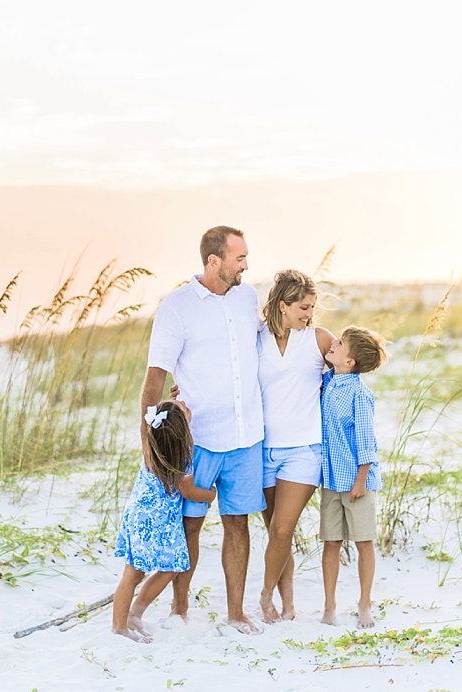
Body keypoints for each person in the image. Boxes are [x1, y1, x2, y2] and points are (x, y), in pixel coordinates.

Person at [131, 226, 266, 635]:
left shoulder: (248, 298)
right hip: (199, 440)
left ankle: (236, 612)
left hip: (247, 436)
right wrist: (151, 448)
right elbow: (154, 381)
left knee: (238, 523)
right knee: (190, 524)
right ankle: (179, 607)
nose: (246, 265)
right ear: (214, 261)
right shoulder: (177, 307)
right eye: (239, 258)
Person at [256, 269, 334, 623]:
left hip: (304, 450)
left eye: (313, 307)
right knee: (275, 532)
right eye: (303, 307)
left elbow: (348, 372)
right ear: (283, 305)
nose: (310, 314)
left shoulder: (319, 339)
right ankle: (287, 605)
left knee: (283, 529)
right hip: (262, 450)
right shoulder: (256, 338)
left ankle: (264, 595)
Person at [112, 399, 216, 642]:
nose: (184, 404)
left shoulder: (153, 446)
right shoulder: (183, 457)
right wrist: (210, 494)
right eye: (182, 408)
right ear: (183, 430)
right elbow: (189, 492)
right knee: (169, 568)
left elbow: (169, 421)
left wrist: (173, 405)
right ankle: (127, 620)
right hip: (160, 521)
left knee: (132, 573)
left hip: (137, 515)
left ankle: (126, 620)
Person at [318, 326, 388, 629]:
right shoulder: (326, 381)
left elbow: (365, 441)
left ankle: (364, 604)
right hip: (331, 480)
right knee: (331, 542)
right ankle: (329, 606)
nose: (333, 342)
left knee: (363, 542)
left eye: (341, 343)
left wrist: (360, 480)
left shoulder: (360, 394)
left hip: (357, 481)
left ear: (350, 362)